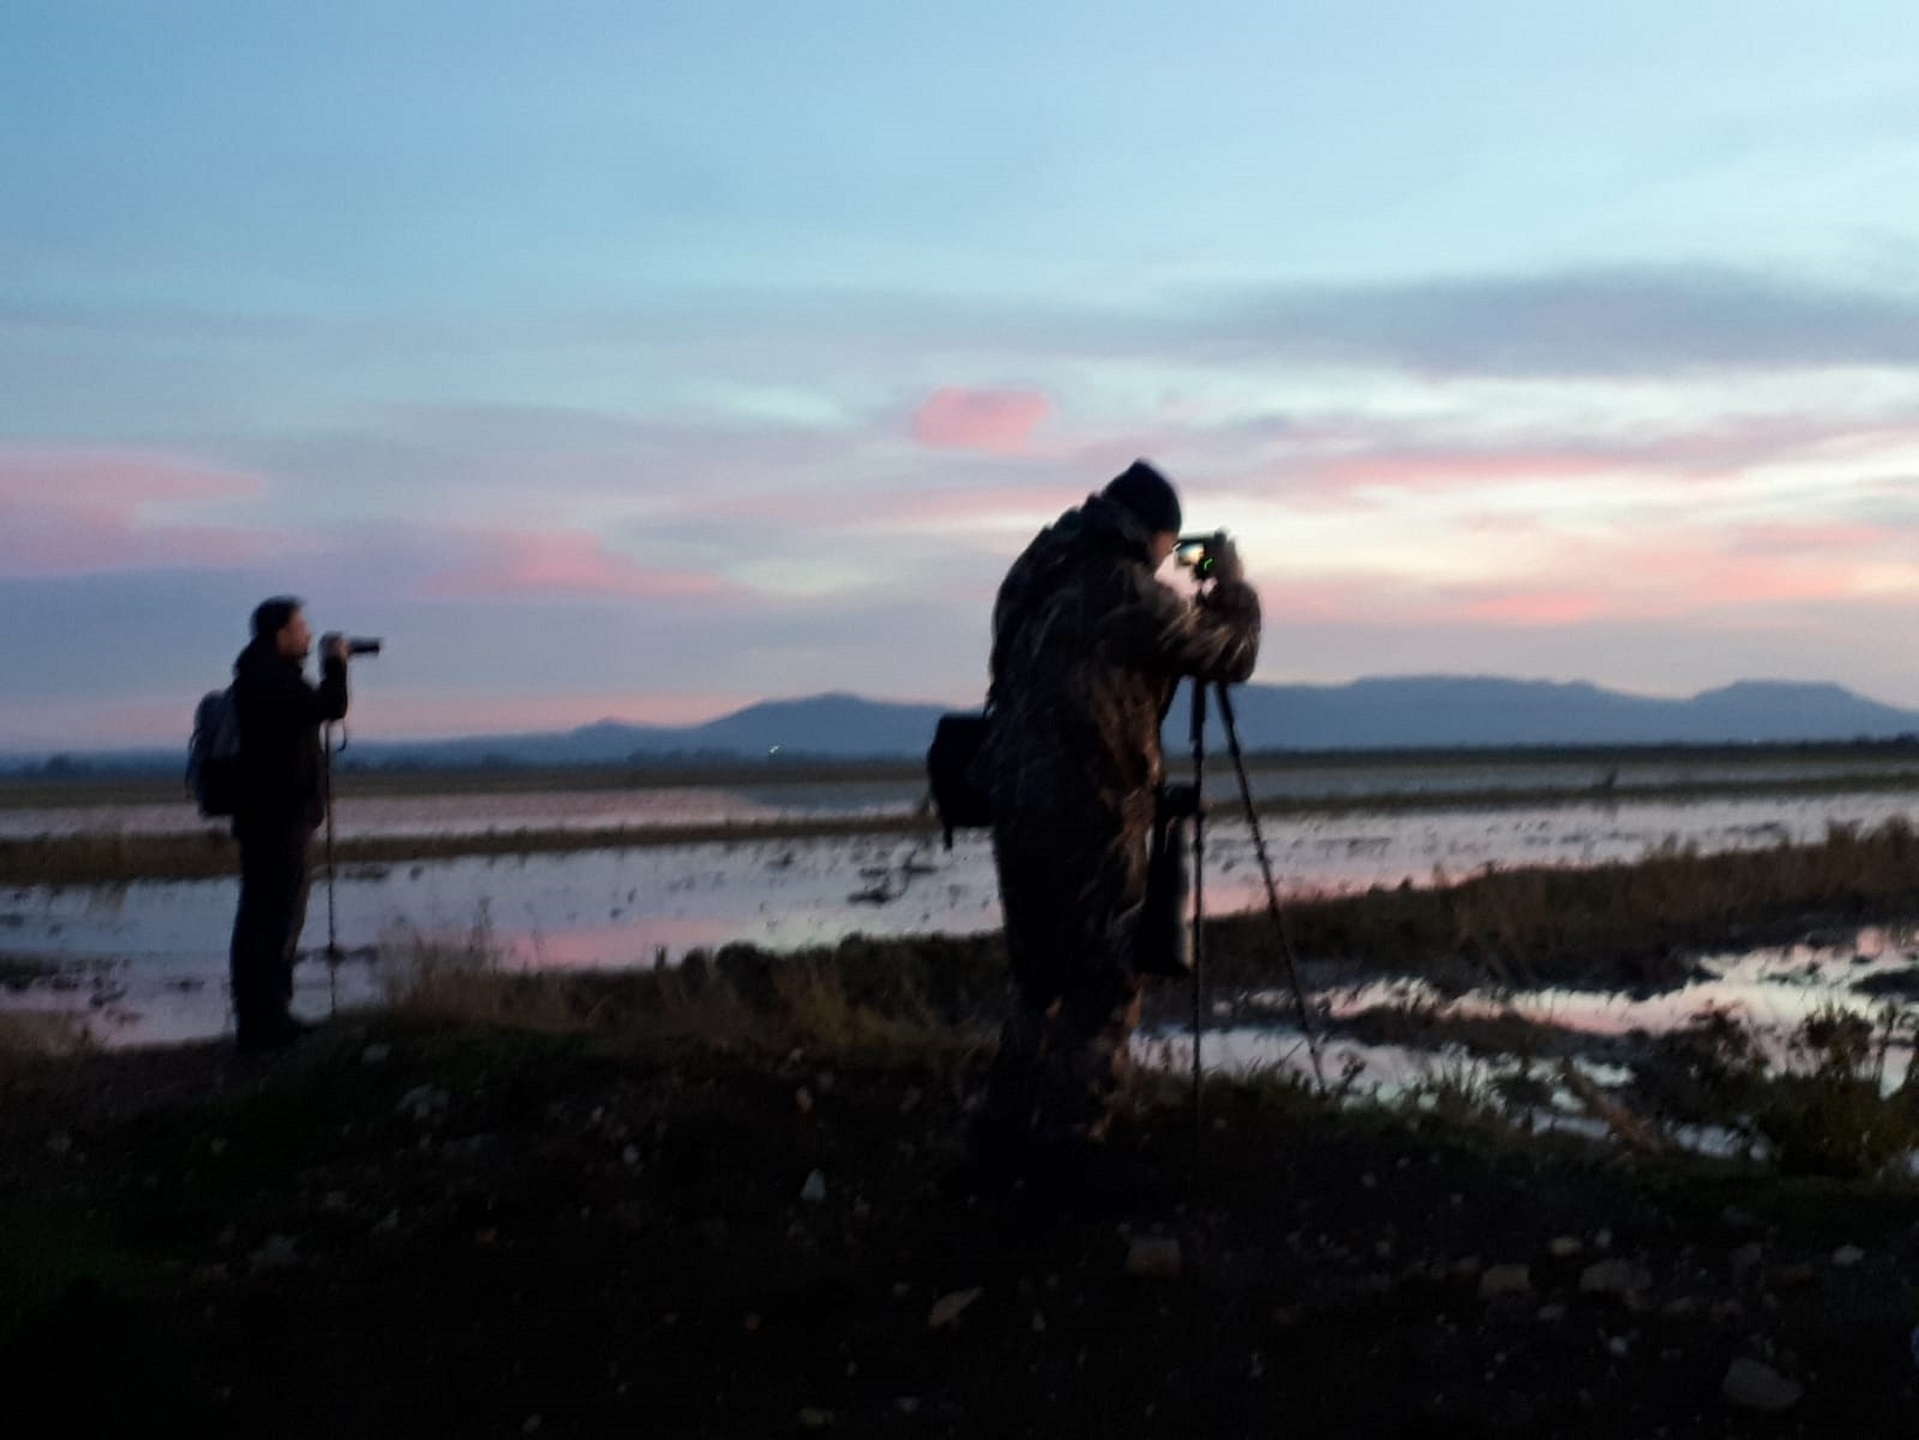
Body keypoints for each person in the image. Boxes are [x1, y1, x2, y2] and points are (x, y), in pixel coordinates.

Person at [970, 460, 1260, 1189]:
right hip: (1089, 811)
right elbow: (1232, 654)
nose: (1171, 559)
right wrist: (1230, 588)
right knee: (1105, 980)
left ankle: (1000, 1128)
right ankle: (1069, 1148)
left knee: (1037, 976)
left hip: (1014, 799)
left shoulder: (1034, 572)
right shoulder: (1127, 595)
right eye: (1170, 545)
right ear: (1148, 534)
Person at [228, 597, 350, 1053]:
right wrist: (336, 665)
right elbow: (331, 706)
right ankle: (267, 1025)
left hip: (266, 816)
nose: (308, 634)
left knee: (262, 917)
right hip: (278, 818)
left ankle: (264, 1018)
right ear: (279, 635)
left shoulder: (258, 675)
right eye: (300, 627)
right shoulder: (273, 680)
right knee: (275, 919)